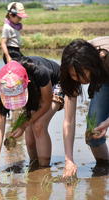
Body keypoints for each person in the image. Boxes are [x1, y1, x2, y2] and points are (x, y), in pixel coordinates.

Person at [0, 57, 63, 174]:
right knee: (29, 129)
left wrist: (24, 125)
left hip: (56, 82)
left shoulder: (39, 72)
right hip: (33, 87)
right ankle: (34, 164)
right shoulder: (4, 84)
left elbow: (46, 104)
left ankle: (43, 170)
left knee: (38, 125)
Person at [60, 38, 109, 178]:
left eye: (81, 74)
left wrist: (107, 122)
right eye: (73, 75)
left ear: (90, 65)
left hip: (105, 68)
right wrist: (68, 159)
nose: (78, 79)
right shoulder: (72, 67)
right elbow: (68, 120)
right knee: (93, 135)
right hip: (102, 78)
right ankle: (104, 171)